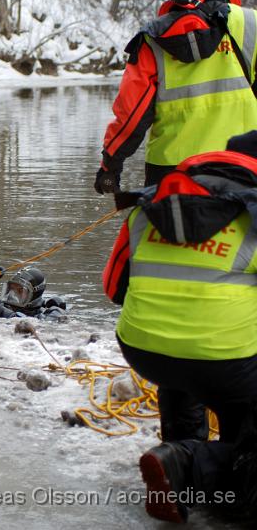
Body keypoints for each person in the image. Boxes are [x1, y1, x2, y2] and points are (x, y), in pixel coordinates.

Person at [103, 131, 257, 522]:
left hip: (144, 350)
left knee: (182, 338)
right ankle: (195, 465)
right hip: (225, 361)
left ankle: (178, 448)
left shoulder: (150, 205)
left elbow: (114, 289)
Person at [94, 0, 257, 194]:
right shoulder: (251, 25)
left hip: (170, 170)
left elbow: (132, 115)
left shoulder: (152, 38)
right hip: (243, 164)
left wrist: (110, 165)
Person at [0, 262, 67, 319]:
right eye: (11, 289)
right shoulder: (3, 306)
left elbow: (25, 324)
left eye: (19, 291)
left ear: (34, 295)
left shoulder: (48, 315)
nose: (12, 295)